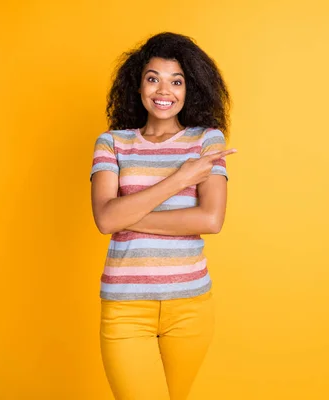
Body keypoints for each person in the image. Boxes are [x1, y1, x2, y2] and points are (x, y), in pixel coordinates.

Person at [89, 32, 237, 400]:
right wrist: (182, 178)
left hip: (189, 305)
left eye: (177, 81)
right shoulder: (112, 142)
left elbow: (209, 220)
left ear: (191, 89)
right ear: (138, 84)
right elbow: (105, 219)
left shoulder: (207, 140)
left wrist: (126, 214)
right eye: (153, 78)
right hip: (125, 305)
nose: (163, 90)